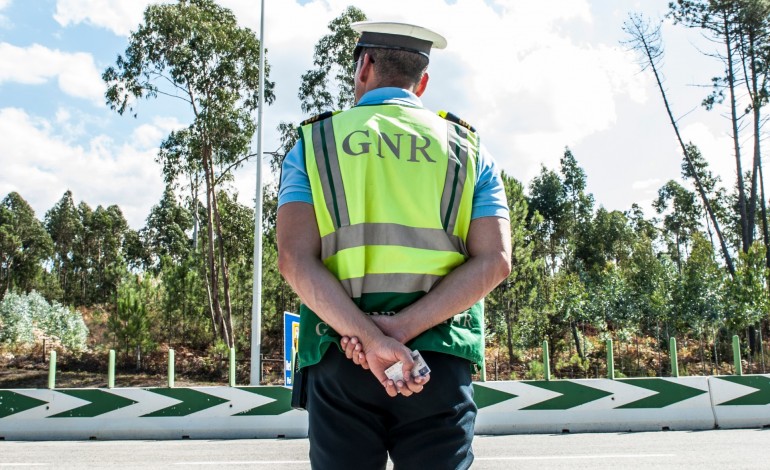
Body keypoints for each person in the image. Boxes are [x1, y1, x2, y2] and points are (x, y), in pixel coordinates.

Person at [277, 20, 511, 470]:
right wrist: (399, 332)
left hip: (340, 351)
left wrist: (369, 337)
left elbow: (294, 259)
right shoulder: (470, 151)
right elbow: (496, 260)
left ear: (364, 66)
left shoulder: (316, 144)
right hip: (437, 357)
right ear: (421, 82)